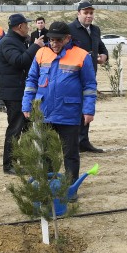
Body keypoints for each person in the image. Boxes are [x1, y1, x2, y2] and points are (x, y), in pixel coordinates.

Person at [23, 21, 97, 182]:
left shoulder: (82, 55)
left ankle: (70, 187)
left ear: (67, 38)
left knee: (70, 153)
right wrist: (27, 104)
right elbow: (31, 80)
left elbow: (89, 85)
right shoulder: (41, 53)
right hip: (44, 111)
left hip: (68, 113)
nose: (54, 43)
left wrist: (89, 110)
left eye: (58, 40)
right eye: (52, 40)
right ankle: (49, 184)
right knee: (47, 153)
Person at [0, 13, 45, 174]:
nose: (29, 27)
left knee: (26, 128)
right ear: (19, 27)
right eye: (26, 24)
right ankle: (9, 165)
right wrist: (35, 46)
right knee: (15, 128)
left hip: (20, 91)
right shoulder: (7, 42)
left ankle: (23, 159)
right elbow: (19, 61)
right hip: (14, 93)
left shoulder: (17, 41)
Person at [68, 0, 107, 153]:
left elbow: (100, 46)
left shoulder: (95, 29)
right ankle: (73, 143)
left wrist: (104, 55)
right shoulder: (70, 29)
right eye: (86, 13)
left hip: (90, 76)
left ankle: (83, 141)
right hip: (74, 75)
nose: (89, 16)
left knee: (87, 108)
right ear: (78, 14)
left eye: (91, 13)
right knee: (75, 109)